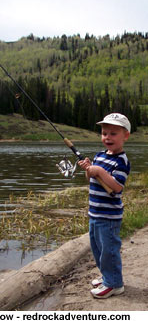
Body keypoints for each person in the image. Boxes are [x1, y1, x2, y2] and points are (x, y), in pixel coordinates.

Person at [78, 113, 131, 299]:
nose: (107, 137)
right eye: (104, 133)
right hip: (94, 213)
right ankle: (107, 276)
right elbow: (92, 178)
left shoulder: (122, 162)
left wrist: (98, 170)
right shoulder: (100, 155)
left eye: (113, 133)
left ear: (125, 136)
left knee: (109, 251)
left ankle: (115, 284)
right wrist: (89, 169)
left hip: (109, 217)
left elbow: (116, 187)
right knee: (98, 249)